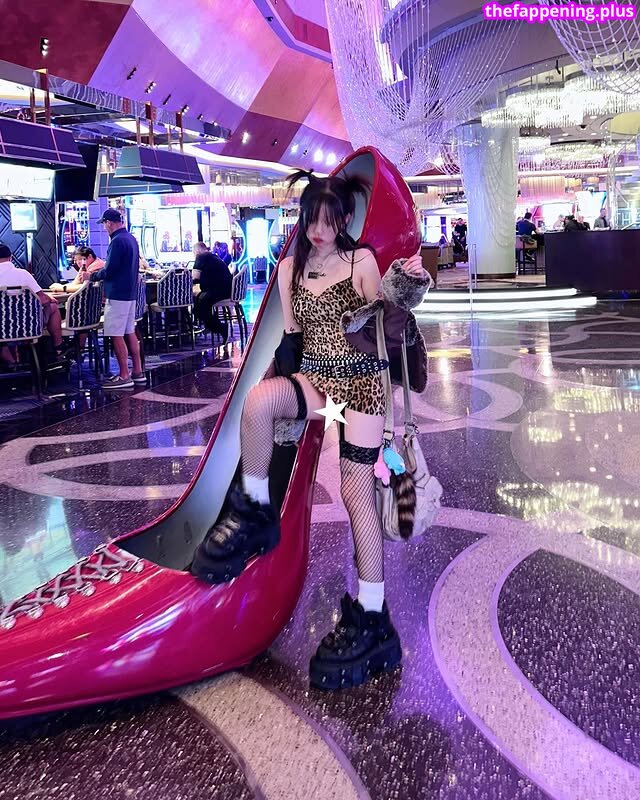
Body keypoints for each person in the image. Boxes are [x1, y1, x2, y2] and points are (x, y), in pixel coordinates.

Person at [190, 170, 430, 690]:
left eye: (328, 220)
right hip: (319, 381)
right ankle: (256, 510)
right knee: (258, 404)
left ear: (343, 220)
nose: (319, 231)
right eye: (311, 220)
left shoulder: (360, 261)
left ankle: (372, 612)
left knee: (355, 493)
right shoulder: (289, 268)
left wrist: (403, 288)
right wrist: (280, 387)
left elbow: (384, 325)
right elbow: (294, 338)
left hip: (362, 385)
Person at [86, 209, 145, 389]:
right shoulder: (131, 238)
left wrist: (92, 276)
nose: (104, 228)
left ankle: (124, 375)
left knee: (116, 334)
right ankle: (138, 371)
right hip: (130, 293)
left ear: (109, 223)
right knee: (129, 331)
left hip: (118, 294)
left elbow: (110, 270)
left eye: (104, 224)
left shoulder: (117, 241)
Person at [0, 243, 67, 362]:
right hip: (28, 327)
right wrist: (49, 298)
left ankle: (12, 363)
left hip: (2, 329)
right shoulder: (23, 274)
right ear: (10, 258)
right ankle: (58, 347)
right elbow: (43, 299)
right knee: (52, 306)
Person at [192, 242, 232, 342]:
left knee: (198, 306)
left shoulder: (201, 257)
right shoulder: (214, 256)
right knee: (198, 301)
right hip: (226, 289)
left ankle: (220, 328)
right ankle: (209, 325)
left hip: (216, 291)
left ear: (197, 251)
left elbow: (195, 277)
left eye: (194, 253)